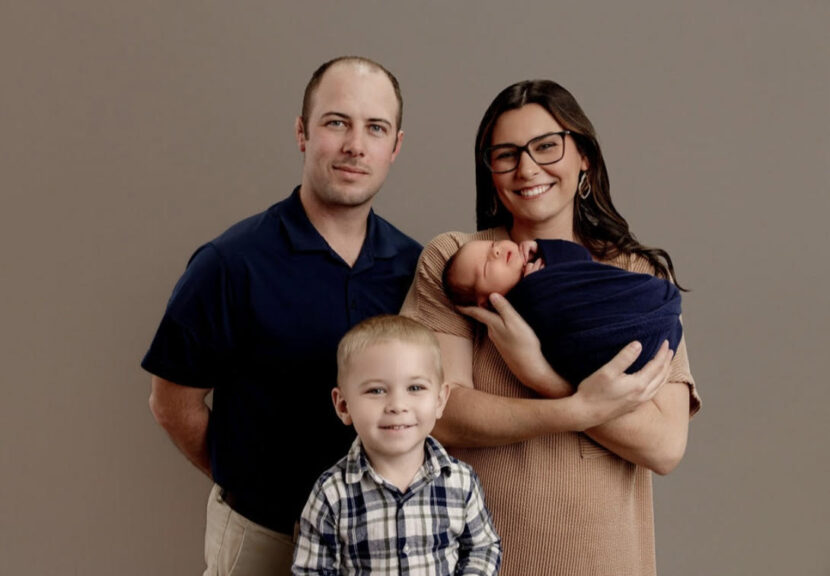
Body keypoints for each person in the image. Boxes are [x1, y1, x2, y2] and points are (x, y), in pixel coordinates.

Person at [400, 79, 701, 575]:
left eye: (546, 146)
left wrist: (542, 375)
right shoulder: (458, 262)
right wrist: (578, 408)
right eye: (506, 155)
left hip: (607, 560)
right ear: (490, 171)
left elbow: (665, 446)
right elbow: (440, 413)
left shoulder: (636, 277)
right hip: (483, 557)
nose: (527, 169)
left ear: (584, 157)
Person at [142, 56, 422, 576]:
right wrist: (247, 488)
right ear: (302, 132)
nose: (355, 145)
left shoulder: (415, 268)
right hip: (265, 539)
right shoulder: (231, 263)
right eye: (336, 122)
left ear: (395, 147)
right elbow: (171, 403)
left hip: (379, 547)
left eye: (375, 128)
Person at [292, 315, 502, 575]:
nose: (398, 405)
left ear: (439, 400)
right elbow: (311, 570)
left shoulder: (461, 481)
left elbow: (483, 548)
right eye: (376, 390)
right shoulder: (332, 493)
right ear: (343, 406)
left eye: (415, 387)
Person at [442, 236, 683, 385]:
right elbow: (555, 324)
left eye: (493, 245)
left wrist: (543, 249)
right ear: (486, 303)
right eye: (486, 266)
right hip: (614, 346)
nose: (495, 252)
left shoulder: (543, 261)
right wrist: (535, 288)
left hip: (648, 314)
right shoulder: (517, 311)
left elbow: (583, 264)